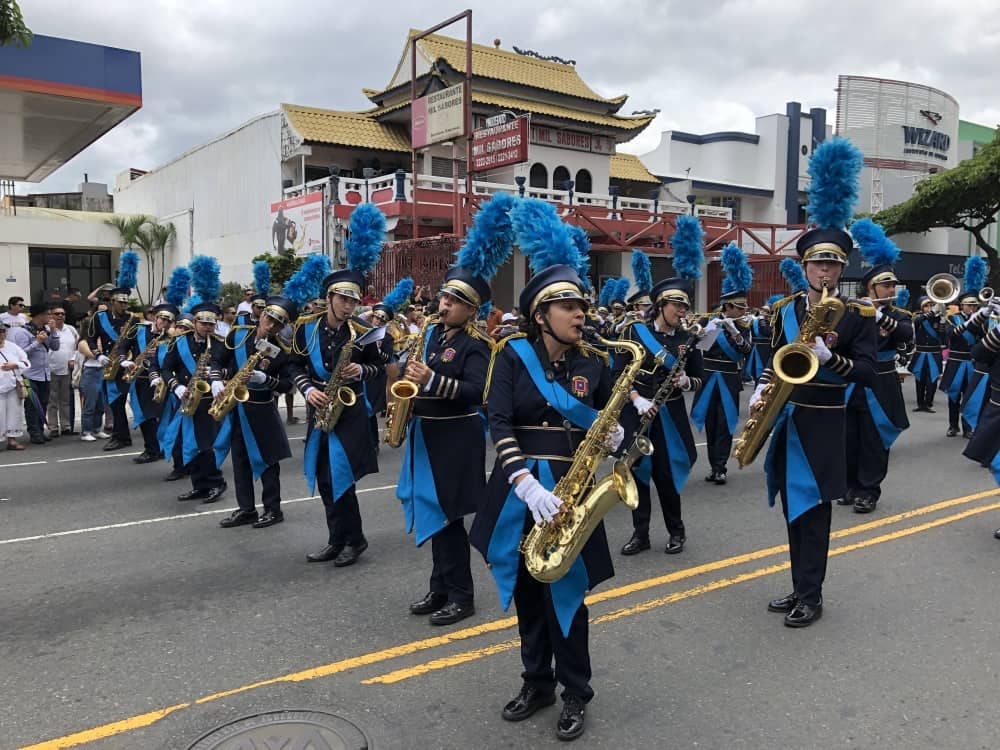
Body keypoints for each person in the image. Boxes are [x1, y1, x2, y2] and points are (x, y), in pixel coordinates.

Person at [470, 261, 620, 742]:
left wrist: (619, 436)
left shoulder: (596, 360)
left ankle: (576, 690)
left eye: (581, 306)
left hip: (570, 490)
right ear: (541, 314)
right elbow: (499, 422)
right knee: (528, 594)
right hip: (522, 489)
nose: (579, 314)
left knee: (568, 597)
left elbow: (615, 422)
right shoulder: (511, 354)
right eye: (567, 306)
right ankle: (537, 682)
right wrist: (525, 483)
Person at [751, 142, 877, 627]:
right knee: (791, 509)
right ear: (803, 267)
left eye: (833, 264)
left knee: (816, 513)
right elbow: (772, 361)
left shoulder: (858, 314)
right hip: (786, 418)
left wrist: (831, 357)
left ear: (843, 269)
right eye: (817, 263)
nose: (825, 270)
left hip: (825, 422)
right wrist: (763, 389)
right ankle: (799, 584)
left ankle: (813, 594)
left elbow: (866, 373)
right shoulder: (785, 311)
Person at [288, 271, 385, 567]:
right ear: (328, 298)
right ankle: (336, 539)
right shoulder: (306, 329)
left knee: (341, 478)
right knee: (325, 479)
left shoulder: (363, 330)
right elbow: (293, 365)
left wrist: (361, 371)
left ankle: (355, 540)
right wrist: (306, 389)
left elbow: (377, 366)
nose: (348, 306)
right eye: (343, 299)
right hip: (320, 405)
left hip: (350, 409)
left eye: (353, 301)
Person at [617, 278, 705, 556]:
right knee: (637, 474)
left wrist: (687, 382)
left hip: (670, 416)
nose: (682, 311)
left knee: (667, 477)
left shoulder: (687, 338)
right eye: (677, 305)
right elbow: (617, 372)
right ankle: (640, 534)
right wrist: (636, 399)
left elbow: (700, 377)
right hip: (638, 412)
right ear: (660, 305)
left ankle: (676, 532)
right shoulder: (635, 332)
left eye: (685, 306)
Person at [842, 227, 912, 514]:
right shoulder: (853, 311)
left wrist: (880, 314)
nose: (891, 290)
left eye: (893, 285)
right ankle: (850, 485)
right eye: (886, 286)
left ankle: (868, 491)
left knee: (874, 440)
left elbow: (906, 335)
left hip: (882, 383)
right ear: (871, 287)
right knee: (848, 438)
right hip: (852, 381)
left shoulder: (898, 315)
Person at [212, 296, 297, 529]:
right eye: (269, 319)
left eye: (278, 324)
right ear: (262, 314)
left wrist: (266, 379)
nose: (271, 326)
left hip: (262, 409)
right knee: (239, 460)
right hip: (237, 407)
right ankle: (246, 508)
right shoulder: (239, 334)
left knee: (268, 459)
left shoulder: (281, 350)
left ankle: (273, 508)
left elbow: (289, 385)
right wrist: (215, 380)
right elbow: (217, 359)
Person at [160, 302, 227, 503]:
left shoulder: (220, 343)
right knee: (191, 444)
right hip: (187, 397)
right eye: (204, 323)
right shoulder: (180, 342)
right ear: (195, 322)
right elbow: (166, 368)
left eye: (211, 324)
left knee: (207, 445)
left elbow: (230, 367)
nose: (208, 327)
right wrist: (176, 386)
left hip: (210, 400)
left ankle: (216, 482)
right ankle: (200, 485)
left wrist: (218, 375)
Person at [692, 286, 752, 485]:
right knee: (710, 423)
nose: (743, 311)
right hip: (708, 377)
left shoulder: (742, 325)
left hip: (729, 379)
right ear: (728, 306)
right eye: (739, 308)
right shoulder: (707, 320)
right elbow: (696, 346)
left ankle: (721, 468)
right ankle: (713, 466)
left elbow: (746, 350)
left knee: (725, 424)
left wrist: (734, 332)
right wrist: (709, 330)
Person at [123, 303, 177, 463]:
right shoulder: (139, 329)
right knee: (146, 417)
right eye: (162, 319)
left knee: (162, 417)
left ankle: (163, 448)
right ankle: (151, 448)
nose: (165, 323)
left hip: (163, 381)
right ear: (155, 317)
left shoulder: (172, 337)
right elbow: (122, 348)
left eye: (169, 320)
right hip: (141, 380)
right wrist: (125, 361)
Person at [86, 288, 136, 451]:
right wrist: (98, 355)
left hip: (128, 364)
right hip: (109, 364)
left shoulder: (133, 319)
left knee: (128, 402)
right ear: (112, 302)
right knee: (114, 403)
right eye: (120, 302)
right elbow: (91, 339)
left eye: (126, 302)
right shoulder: (99, 318)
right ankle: (121, 436)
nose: (124, 306)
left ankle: (123, 436)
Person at [10, 303, 61, 445]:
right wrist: (37, 342)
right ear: (40, 315)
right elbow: (21, 353)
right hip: (30, 374)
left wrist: (54, 331)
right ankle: (34, 433)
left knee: (43, 403)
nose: (51, 317)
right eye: (48, 314)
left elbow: (55, 347)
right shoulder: (23, 332)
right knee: (32, 405)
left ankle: (40, 429)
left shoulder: (46, 330)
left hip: (45, 373)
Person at [941, 289, 982, 437]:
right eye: (969, 305)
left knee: (969, 396)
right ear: (962, 305)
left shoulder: (980, 319)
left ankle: (968, 427)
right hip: (956, 362)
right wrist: (969, 323)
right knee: (954, 396)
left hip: (972, 362)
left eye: (974, 305)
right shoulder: (952, 318)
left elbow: (984, 336)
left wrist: (979, 320)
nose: (972, 308)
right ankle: (953, 426)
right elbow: (951, 333)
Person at [76, 312, 110, 442]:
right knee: (89, 404)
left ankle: (97, 429)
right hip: (90, 372)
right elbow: (91, 355)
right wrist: (100, 350)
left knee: (100, 404)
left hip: (101, 372)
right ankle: (86, 431)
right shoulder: (83, 342)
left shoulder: (99, 340)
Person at [46, 304, 79, 436]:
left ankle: (66, 426)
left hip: (67, 369)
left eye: (62, 314)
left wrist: (73, 358)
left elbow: (78, 346)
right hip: (51, 368)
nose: (60, 316)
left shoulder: (70, 329)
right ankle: (53, 427)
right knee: (52, 400)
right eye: (57, 314)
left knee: (65, 400)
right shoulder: (47, 330)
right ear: (51, 316)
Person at [910, 296, 944, 412]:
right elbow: (918, 321)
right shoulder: (918, 317)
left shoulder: (938, 318)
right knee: (920, 379)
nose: (929, 308)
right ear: (921, 308)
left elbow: (944, 336)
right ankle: (920, 404)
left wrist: (943, 318)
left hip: (934, 354)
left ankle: (929, 403)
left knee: (932, 380)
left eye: (931, 305)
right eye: (926, 306)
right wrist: (932, 313)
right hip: (921, 354)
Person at [0, 322, 30, 450]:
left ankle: (12, 440)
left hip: (13, 385)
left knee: (14, 413)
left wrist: (15, 365)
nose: (1, 334)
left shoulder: (12, 347)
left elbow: (26, 362)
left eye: (3, 331)